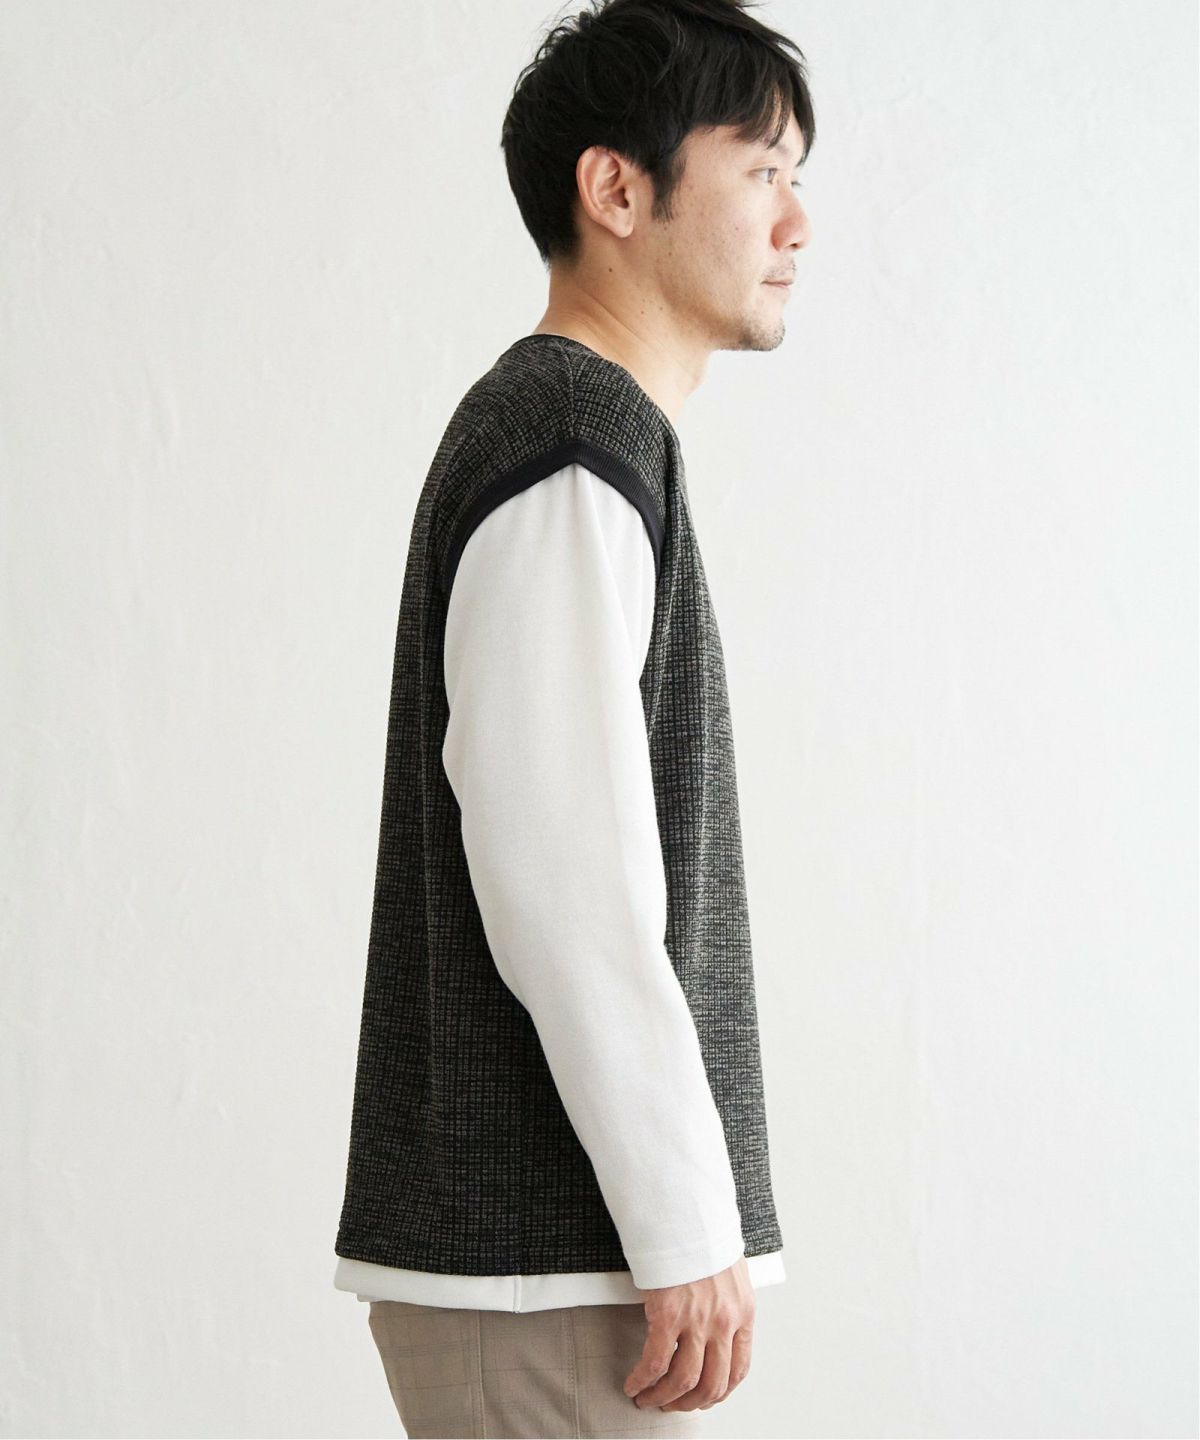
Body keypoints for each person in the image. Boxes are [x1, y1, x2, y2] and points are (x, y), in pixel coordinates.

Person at [333, 1, 815, 1434]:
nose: (797, 223)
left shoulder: (590, 441)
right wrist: (685, 1217)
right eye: (763, 170)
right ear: (616, 188)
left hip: (559, 1273)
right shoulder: (567, 446)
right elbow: (561, 879)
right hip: (547, 1273)